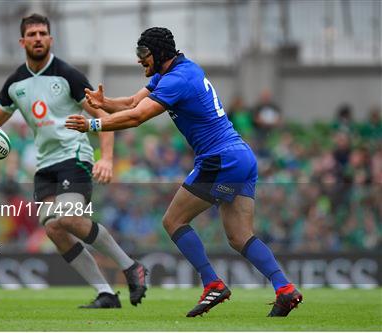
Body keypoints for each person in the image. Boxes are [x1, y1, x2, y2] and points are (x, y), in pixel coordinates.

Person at [66, 27, 302, 317]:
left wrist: (93, 125)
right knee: (240, 236)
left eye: (143, 53)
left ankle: (212, 283)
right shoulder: (176, 72)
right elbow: (130, 104)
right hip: (241, 156)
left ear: (159, 52)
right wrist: (104, 104)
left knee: (173, 220)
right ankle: (285, 288)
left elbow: (138, 116)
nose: (140, 60)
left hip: (220, 158)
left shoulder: (176, 80)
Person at [0, 13, 147, 309]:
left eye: (43, 33)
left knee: (68, 217)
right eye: (32, 34)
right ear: (22, 41)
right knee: (54, 228)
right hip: (45, 166)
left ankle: (130, 266)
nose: (38, 38)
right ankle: (106, 293)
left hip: (75, 156)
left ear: (51, 39)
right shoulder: (15, 83)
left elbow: (104, 117)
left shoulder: (68, 75)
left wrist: (106, 158)